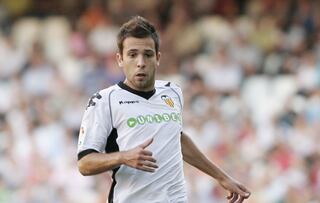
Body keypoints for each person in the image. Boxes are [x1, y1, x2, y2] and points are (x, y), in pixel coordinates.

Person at [77, 16, 251, 203]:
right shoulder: (104, 101)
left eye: (148, 54)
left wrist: (221, 177)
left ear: (158, 58)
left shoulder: (172, 92)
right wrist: (123, 157)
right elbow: (85, 163)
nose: (141, 62)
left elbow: (176, 137)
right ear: (120, 59)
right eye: (133, 54)